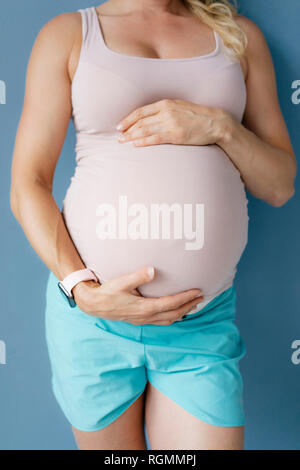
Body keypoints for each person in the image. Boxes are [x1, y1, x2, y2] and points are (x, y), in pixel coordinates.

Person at [10, 0, 296, 450]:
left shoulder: (239, 38)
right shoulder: (68, 34)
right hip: (93, 321)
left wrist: (222, 127)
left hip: (199, 322)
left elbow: (279, 185)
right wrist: (83, 292)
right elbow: (28, 182)